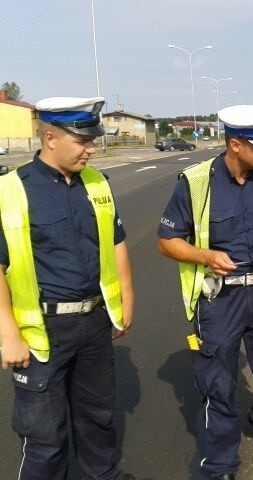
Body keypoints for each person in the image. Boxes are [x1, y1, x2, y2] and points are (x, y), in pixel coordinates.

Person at [157, 104, 253, 480]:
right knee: (217, 385)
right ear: (235, 144)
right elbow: (167, 241)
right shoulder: (196, 182)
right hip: (219, 299)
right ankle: (221, 465)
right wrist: (204, 255)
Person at [0, 97, 136, 480]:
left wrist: (126, 295)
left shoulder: (96, 182)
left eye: (93, 139)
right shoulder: (11, 191)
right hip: (43, 331)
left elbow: (115, 240)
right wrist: (8, 334)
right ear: (50, 138)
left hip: (93, 324)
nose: (92, 148)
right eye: (83, 141)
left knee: (98, 418)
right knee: (44, 434)